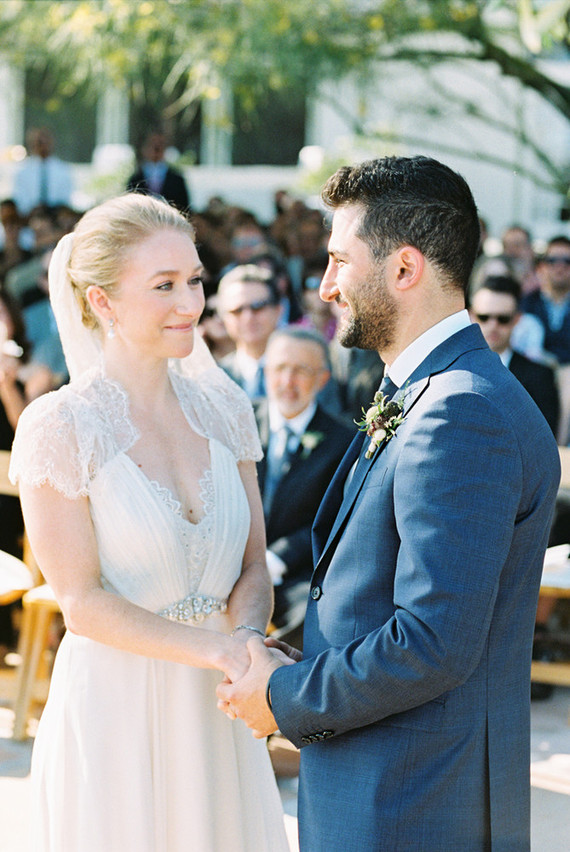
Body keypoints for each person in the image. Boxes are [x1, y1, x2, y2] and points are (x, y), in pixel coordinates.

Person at [218, 156, 561, 851]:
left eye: (340, 261)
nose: (326, 286)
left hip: (414, 802)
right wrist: (296, 659)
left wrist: (283, 697)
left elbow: (432, 642)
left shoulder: (460, 411)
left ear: (405, 268)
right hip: (393, 785)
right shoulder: (433, 390)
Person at [8, 194, 288, 851]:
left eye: (195, 280)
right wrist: (219, 651)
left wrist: (247, 641)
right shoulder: (60, 425)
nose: (190, 303)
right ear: (101, 301)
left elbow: (253, 563)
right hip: (115, 712)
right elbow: (81, 603)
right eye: (164, 285)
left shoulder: (225, 409)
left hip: (219, 708)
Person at [254, 327, 353, 645]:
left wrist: (276, 559)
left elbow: (332, 519)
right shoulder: (238, 421)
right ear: (265, 371)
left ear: (322, 379)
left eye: (301, 370)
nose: (288, 381)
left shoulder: (344, 441)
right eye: (280, 368)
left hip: (296, 574)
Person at [469, 275, 560, 435]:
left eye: (503, 319)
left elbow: (543, 436)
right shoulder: (452, 369)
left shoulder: (540, 377)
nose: (493, 325)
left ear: (517, 319)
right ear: (471, 316)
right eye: (484, 317)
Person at [217, 264, 283, 400]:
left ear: (278, 310)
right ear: (223, 317)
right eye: (237, 310)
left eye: (257, 307)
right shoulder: (215, 378)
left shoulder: (307, 368)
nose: (248, 318)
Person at [13, 127, 73, 218]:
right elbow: (21, 200)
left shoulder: (63, 170)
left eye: (46, 142)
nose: (43, 147)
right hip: (30, 218)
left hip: (55, 218)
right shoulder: (22, 172)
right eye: (39, 143)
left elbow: (65, 198)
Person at [126, 131, 191, 212]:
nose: (156, 149)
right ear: (144, 148)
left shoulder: (177, 179)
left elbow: (184, 208)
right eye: (152, 144)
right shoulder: (135, 178)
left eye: (160, 144)